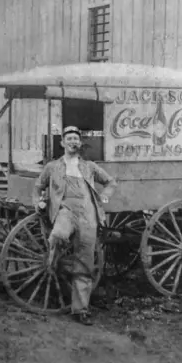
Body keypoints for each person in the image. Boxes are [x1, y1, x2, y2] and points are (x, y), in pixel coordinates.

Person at [32, 125, 117, 326]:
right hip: (66, 212)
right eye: (68, 138)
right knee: (58, 235)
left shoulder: (89, 166)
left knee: (85, 262)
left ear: (80, 144)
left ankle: (80, 310)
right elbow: (37, 187)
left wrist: (105, 196)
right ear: (62, 143)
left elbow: (110, 182)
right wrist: (39, 202)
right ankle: (52, 264)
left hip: (88, 216)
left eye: (75, 139)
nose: (72, 142)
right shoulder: (53, 167)